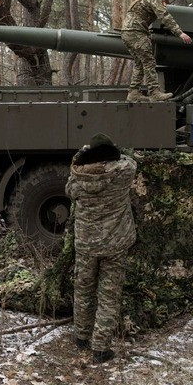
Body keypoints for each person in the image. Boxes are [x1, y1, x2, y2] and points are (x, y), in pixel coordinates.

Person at [65, 133, 137, 363]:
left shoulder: (77, 178)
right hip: (115, 244)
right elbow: (130, 159)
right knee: (109, 296)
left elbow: (69, 191)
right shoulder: (124, 172)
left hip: (86, 244)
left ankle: (81, 336)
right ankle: (101, 348)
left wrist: (80, 155)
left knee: (83, 290)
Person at [118, 0, 192, 102]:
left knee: (140, 62)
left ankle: (134, 92)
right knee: (149, 62)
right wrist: (180, 33)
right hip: (136, 31)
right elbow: (164, 16)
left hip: (128, 31)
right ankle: (154, 92)